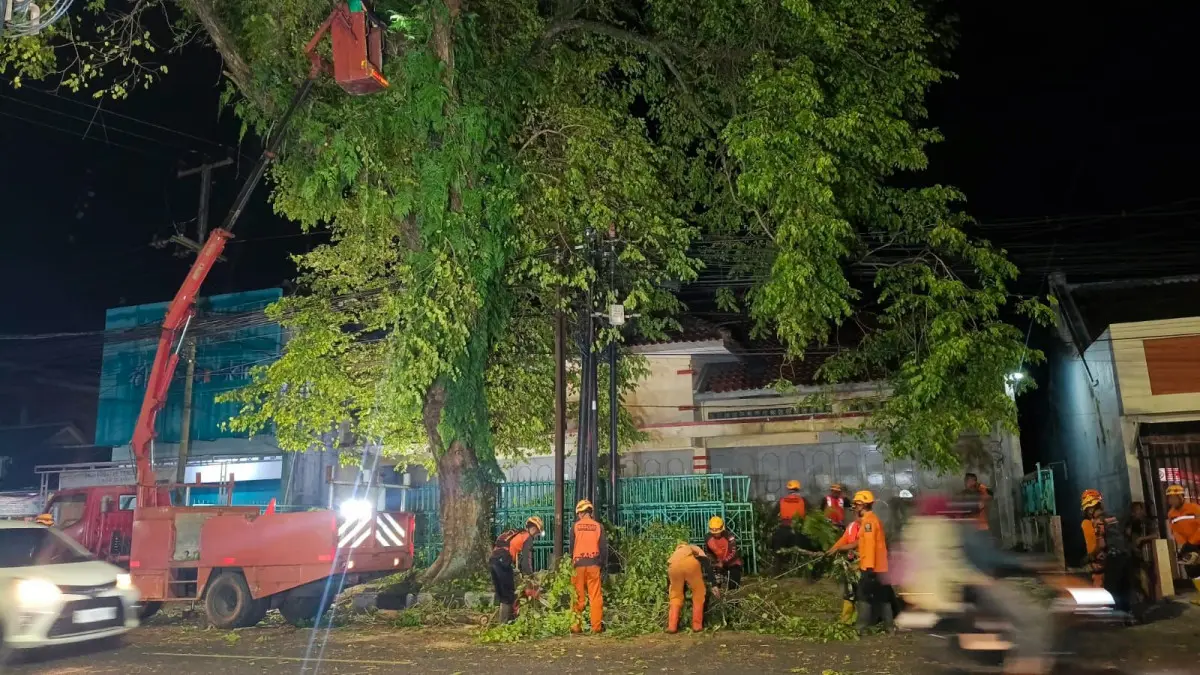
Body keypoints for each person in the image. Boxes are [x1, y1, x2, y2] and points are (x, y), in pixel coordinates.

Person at [898, 495, 1053, 675]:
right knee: (1032, 618)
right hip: (952, 595)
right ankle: (1028, 665)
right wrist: (984, 578)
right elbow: (955, 565)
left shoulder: (912, 529)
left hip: (920, 596)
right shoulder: (956, 529)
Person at [839, 490, 892, 632]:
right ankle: (889, 627)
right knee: (883, 596)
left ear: (863, 505)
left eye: (857, 504)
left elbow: (869, 546)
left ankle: (861, 628)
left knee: (863, 596)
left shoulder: (869, 523)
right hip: (881, 566)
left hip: (872, 566)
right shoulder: (873, 520)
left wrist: (867, 568)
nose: (854, 506)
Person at [1080, 489, 1132, 613]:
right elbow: (1126, 533)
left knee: (1111, 591)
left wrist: (1089, 557)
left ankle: (1116, 619)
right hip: (1126, 556)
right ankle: (1128, 616)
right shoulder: (1113, 517)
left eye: (1087, 510)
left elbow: (1101, 545)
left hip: (1114, 559)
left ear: (1091, 509)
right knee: (1124, 590)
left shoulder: (1098, 522)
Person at [489, 515, 544, 623]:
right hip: (503, 562)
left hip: (493, 560)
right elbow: (526, 562)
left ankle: (499, 621)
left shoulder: (516, 533)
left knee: (503, 595)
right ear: (534, 528)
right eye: (537, 532)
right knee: (508, 595)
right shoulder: (527, 537)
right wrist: (530, 577)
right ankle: (503, 625)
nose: (536, 535)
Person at [570, 499, 607, 633]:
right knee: (595, 596)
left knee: (578, 596)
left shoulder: (574, 527)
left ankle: (576, 626)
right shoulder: (598, 526)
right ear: (590, 512)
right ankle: (596, 627)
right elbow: (603, 548)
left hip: (578, 565)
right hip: (593, 564)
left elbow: (571, 548)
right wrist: (602, 565)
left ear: (580, 513)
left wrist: (571, 564)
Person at [666, 541, 716, 633]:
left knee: (675, 597)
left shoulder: (675, 554)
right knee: (698, 593)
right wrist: (713, 584)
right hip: (690, 565)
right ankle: (697, 626)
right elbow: (706, 563)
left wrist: (668, 588)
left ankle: (672, 627)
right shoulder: (693, 547)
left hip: (673, 567)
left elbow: (669, 578)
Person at [824, 507, 863, 624]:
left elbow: (860, 542)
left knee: (861, 593)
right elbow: (844, 539)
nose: (856, 516)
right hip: (852, 563)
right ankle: (846, 620)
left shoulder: (868, 526)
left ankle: (862, 619)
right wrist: (832, 550)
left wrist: (841, 548)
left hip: (864, 563)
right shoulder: (851, 526)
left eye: (858, 513)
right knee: (849, 591)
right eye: (854, 513)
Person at [1165, 484, 1200, 604]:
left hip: (1197, 542)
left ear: (1181, 497)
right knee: (1192, 571)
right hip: (1187, 545)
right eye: (1169, 498)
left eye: (1174, 497)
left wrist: (1192, 542)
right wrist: (1184, 546)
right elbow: (1175, 531)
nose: (1171, 500)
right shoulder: (1171, 513)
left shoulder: (1194, 508)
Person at [771, 479, 807, 573]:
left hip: (783, 529)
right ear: (798, 489)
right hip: (797, 531)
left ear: (788, 489)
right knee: (800, 552)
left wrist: (767, 526)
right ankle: (799, 572)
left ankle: (777, 573)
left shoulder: (782, 501)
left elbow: (772, 515)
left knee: (778, 552)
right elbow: (811, 513)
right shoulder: (803, 501)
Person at [1124, 501, 1156, 608]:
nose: (1136, 512)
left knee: (1147, 576)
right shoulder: (1131, 523)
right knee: (1136, 578)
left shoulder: (1146, 522)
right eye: (1135, 510)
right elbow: (1127, 536)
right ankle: (1143, 598)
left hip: (1145, 554)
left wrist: (1142, 539)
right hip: (1134, 554)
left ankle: (1150, 598)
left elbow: (1155, 535)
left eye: (1138, 509)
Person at [704, 516, 744, 589]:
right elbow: (708, 552)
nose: (716, 534)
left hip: (733, 563)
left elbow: (734, 553)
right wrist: (713, 563)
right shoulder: (707, 538)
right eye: (713, 532)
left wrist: (723, 562)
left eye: (718, 532)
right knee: (715, 584)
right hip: (718, 564)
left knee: (733, 586)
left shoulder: (729, 536)